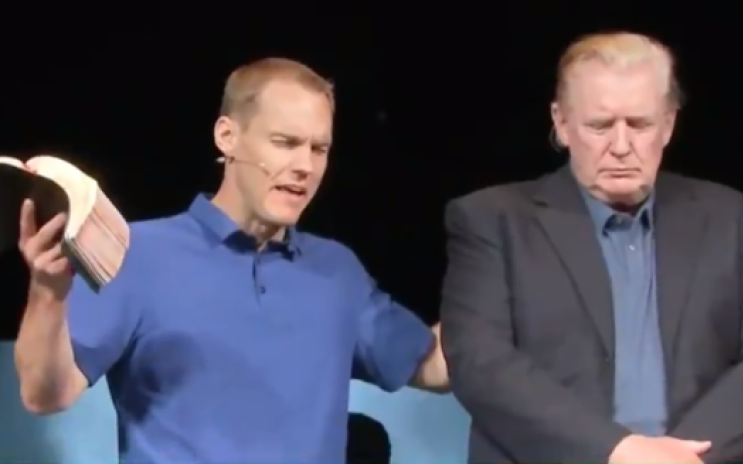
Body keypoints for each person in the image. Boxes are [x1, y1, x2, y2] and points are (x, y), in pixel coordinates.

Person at [14, 57, 448, 464]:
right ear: (227, 136)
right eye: (285, 143)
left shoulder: (337, 272)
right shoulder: (138, 252)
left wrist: (509, 280)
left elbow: (433, 366)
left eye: (319, 149)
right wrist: (48, 294)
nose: (305, 166)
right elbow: (44, 395)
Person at [440, 32, 743, 464]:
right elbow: (482, 364)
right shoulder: (491, 221)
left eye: (640, 124)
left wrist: (683, 459)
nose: (622, 146)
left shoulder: (735, 220)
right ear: (561, 122)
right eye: (600, 126)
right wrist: (618, 451)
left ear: (668, 124)